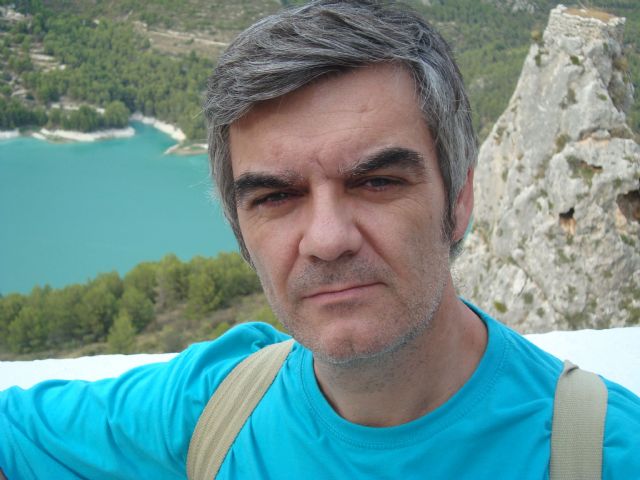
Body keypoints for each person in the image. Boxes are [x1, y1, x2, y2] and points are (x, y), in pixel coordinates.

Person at [1, 1, 639, 478]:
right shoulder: (209, 406)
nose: (328, 240)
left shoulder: (605, 451)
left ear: (460, 199)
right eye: (276, 197)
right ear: (240, 230)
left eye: (378, 181)